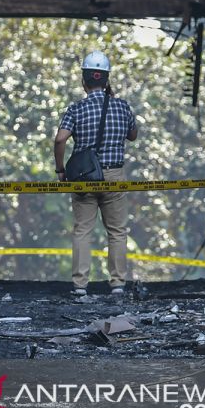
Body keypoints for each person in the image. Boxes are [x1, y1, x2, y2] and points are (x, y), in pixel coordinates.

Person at [53, 50, 138, 297]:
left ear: (84, 80)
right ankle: (118, 283)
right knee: (117, 231)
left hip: (85, 178)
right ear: (107, 79)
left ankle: (80, 285)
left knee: (82, 230)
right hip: (114, 177)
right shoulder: (122, 107)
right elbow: (133, 136)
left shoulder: (76, 109)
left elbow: (60, 140)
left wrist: (60, 169)